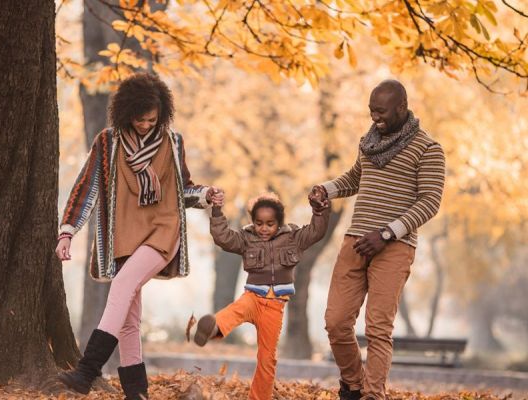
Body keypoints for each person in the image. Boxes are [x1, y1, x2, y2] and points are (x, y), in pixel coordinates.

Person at [55, 72, 221, 400]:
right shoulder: (108, 142)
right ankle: (137, 393)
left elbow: (183, 189)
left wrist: (206, 195)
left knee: (121, 287)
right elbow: (86, 187)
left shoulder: (172, 143)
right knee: (129, 318)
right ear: (126, 113)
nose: (146, 124)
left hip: (162, 230)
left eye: (153, 119)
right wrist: (67, 232)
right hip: (123, 236)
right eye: (140, 119)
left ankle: (86, 373)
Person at [311, 79, 446, 400]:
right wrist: (325, 189)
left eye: (381, 111)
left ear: (402, 107)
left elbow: (430, 202)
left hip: (395, 246)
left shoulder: (429, 149)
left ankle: (372, 395)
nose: (375, 118)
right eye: (371, 111)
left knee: (377, 330)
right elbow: (356, 178)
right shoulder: (369, 142)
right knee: (335, 322)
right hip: (355, 241)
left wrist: (387, 233)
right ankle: (354, 383)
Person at [194, 190, 330, 400]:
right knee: (235, 311)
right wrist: (217, 210)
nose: (263, 228)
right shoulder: (246, 238)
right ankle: (213, 328)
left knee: (267, 358)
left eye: (269, 224)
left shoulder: (293, 237)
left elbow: (315, 232)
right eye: (259, 223)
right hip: (253, 297)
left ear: (279, 222)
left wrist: (319, 210)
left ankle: (259, 398)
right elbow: (223, 238)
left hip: (275, 307)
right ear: (253, 222)